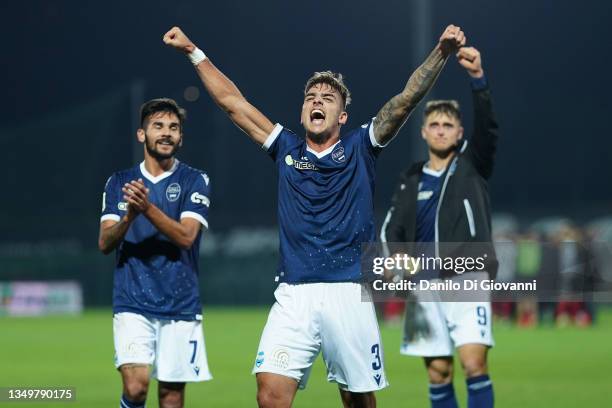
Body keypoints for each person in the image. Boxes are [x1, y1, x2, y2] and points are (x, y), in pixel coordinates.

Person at [163, 24, 465, 408]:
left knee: (357, 401)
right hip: (294, 294)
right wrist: (193, 51)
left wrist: (440, 52)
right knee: (270, 394)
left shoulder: (361, 146)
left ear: (342, 116)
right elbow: (233, 103)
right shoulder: (285, 147)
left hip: (348, 291)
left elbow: (405, 101)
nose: (316, 101)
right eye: (310, 96)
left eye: (327, 97)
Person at [380, 47, 499, 408]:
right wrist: (398, 265)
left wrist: (478, 80)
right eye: (435, 124)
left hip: (467, 278)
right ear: (424, 132)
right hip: (422, 286)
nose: (441, 130)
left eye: (448, 125)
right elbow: (391, 230)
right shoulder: (410, 178)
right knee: (438, 374)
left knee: (473, 364)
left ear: (459, 131)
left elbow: (489, 129)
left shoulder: (472, 165)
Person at [98, 98, 212, 408]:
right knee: (135, 388)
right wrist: (128, 218)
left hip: (180, 305)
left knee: (171, 397)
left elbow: (187, 236)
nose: (166, 133)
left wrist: (146, 208)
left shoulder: (194, 180)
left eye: (173, 128)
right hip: (132, 302)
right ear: (141, 134)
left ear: (181, 138)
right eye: (158, 126)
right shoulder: (119, 182)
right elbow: (105, 243)